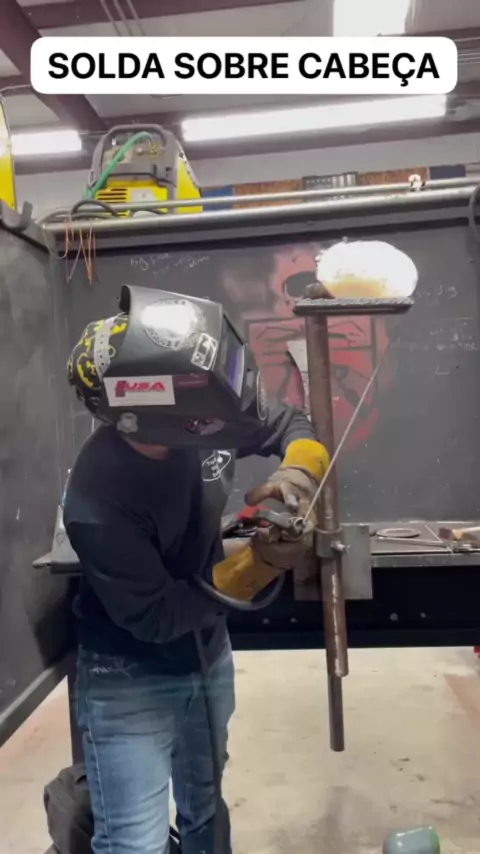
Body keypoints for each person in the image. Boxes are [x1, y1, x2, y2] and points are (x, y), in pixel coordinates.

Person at [63, 292, 328, 854]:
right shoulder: (97, 498)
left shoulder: (205, 410)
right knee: (135, 842)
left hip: (207, 651)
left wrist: (299, 472)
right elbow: (156, 617)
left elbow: (289, 422)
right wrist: (257, 564)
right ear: (146, 410)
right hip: (128, 675)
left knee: (206, 811)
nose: (225, 418)